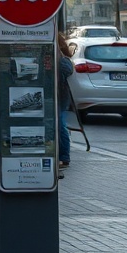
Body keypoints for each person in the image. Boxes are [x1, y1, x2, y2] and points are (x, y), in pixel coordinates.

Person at [56, 32, 74, 170]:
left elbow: (67, 70)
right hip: (54, 96)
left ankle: (64, 157)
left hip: (61, 96)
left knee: (60, 124)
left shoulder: (63, 60)